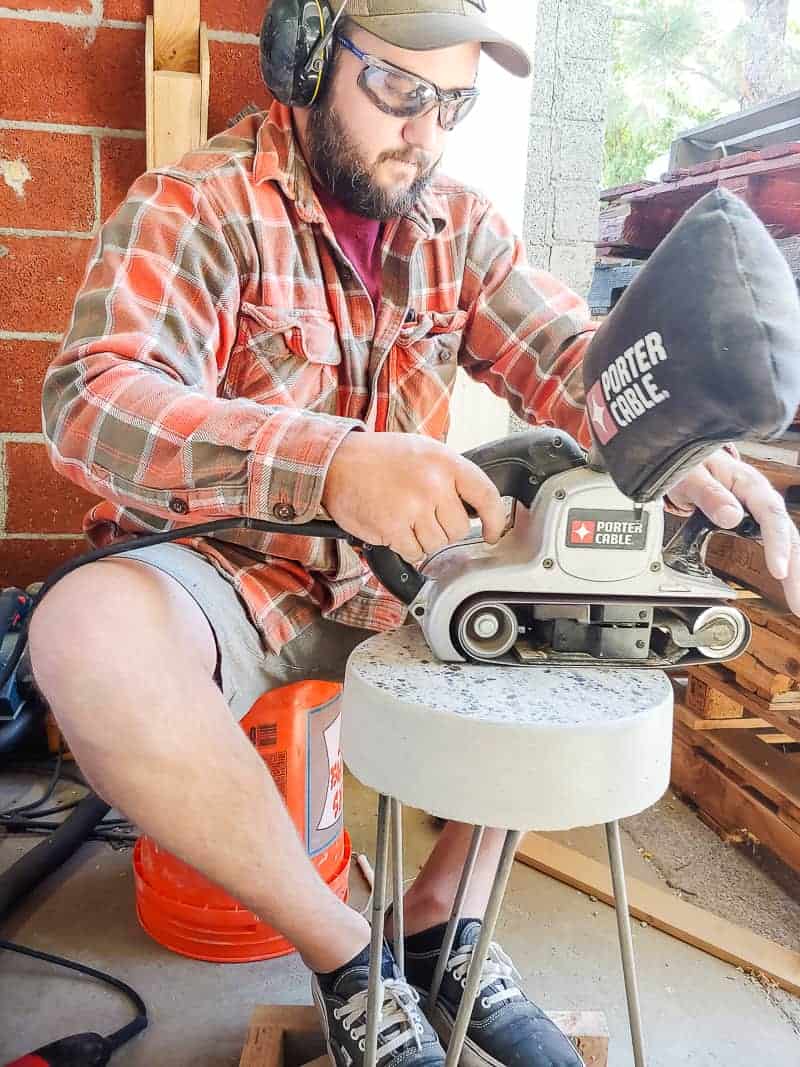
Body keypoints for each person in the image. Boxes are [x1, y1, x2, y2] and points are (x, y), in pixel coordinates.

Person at [30, 2, 800, 1065]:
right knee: (81, 633)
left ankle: (443, 926)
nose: (424, 133)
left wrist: (672, 431)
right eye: (397, 91)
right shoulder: (193, 204)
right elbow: (89, 401)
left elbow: (572, 363)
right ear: (301, 62)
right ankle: (353, 956)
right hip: (226, 574)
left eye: (454, 103)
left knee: (578, 579)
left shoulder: (461, 229)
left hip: (400, 578)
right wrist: (334, 460)